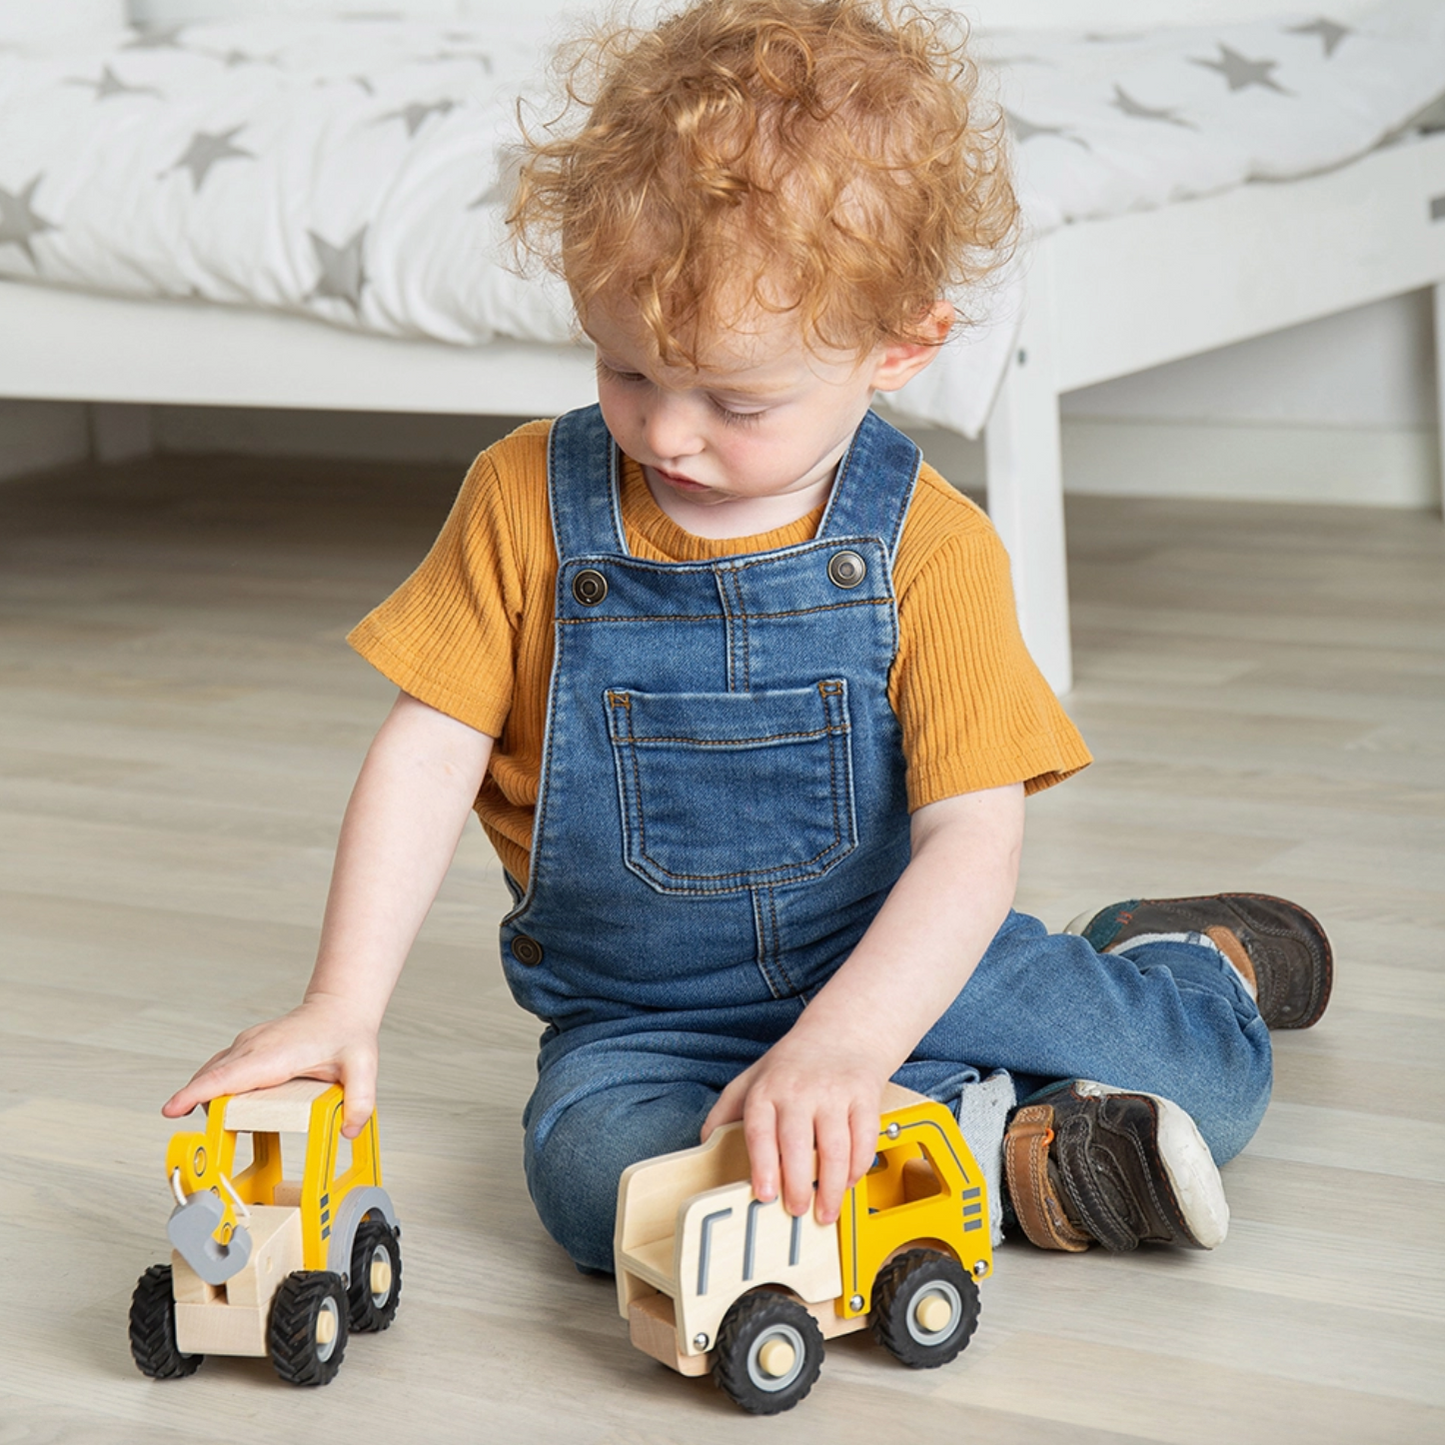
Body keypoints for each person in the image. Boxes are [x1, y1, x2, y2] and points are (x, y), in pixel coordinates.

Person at [164, 0, 1332, 1272]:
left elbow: (968, 841)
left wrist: (844, 1042)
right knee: (591, 1184)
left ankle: (1179, 959)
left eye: (735, 398)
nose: (665, 434)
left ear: (899, 345)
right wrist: (343, 998)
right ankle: (1007, 1152)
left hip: (912, 964)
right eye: (627, 372)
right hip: (647, 1021)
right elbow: (427, 750)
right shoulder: (521, 503)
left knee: (1214, 1092)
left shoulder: (930, 550)